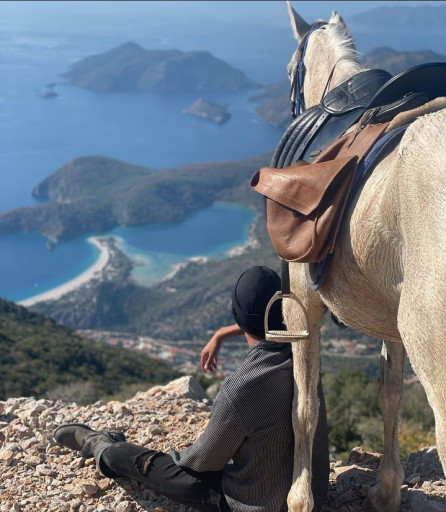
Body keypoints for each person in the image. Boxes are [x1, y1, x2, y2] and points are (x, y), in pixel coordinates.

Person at [54, 266, 329, 512]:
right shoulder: (307, 355)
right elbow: (273, 326)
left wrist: (171, 458)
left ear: (239, 316)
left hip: (257, 503)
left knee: (158, 468)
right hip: (313, 495)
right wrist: (222, 332)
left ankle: (99, 445)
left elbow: (203, 462)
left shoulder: (242, 387)